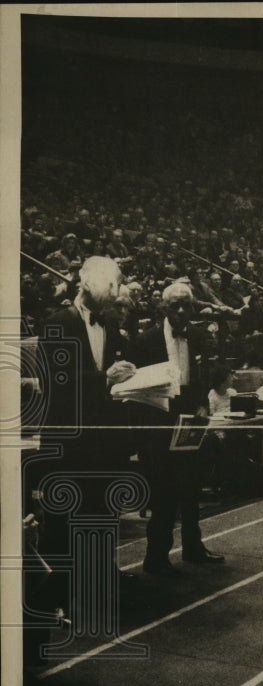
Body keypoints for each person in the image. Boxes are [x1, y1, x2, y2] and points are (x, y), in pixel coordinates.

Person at [30, 256, 138, 615]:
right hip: (68, 443)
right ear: (87, 285)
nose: (113, 296)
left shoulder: (108, 325)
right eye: (110, 289)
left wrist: (125, 377)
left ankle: (92, 592)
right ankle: (53, 603)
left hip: (101, 443)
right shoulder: (57, 322)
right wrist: (105, 378)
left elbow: (103, 378)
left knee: (99, 518)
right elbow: (57, 383)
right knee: (62, 526)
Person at [131, 281, 225, 575]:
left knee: (192, 488)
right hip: (159, 421)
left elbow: (205, 375)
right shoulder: (144, 340)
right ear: (164, 307)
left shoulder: (199, 337)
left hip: (190, 419)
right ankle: (156, 557)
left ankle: (193, 548)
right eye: (175, 305)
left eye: (187, 304)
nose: (182, 310)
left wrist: (202, 405)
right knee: (163, 493)